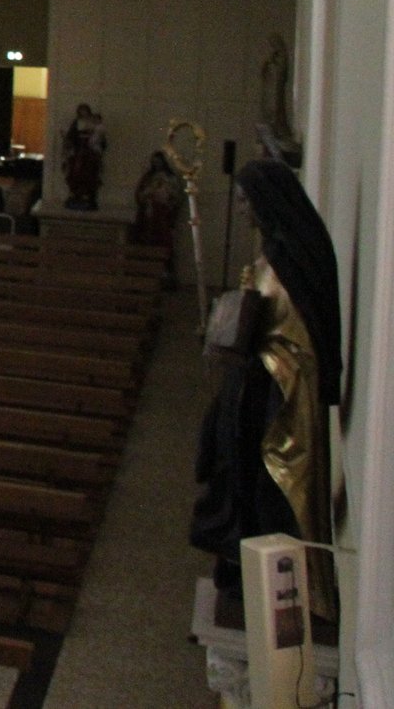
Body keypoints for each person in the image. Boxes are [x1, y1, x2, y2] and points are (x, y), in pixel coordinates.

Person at [191, 159, 344, 627]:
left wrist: (243, 336)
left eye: (243, 200)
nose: (241, 210)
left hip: (276, 399)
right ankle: (242, 567)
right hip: (253, 387)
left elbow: (300, 342)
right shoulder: (274, 252)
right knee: (234, 478)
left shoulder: (291, 261)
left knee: (261, 489)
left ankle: (276, 582)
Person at [60, 104, 107, 210]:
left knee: (89, 171)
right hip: (78, 150)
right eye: (81, 111)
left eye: (85, 111)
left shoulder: (94, 122)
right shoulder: (76, 123)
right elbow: (70, 136)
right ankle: (76, 194)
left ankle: (88, 195)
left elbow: (100, 136)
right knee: (75, 171)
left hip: (89, 150)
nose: (83, 113)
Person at [130, 149, 179, 247]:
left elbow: (174, 195)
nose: (157, 164)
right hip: (148, 210)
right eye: (154, 162)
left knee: (161, 237)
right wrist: (147, 195)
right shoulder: (148, 176)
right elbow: (140, 192)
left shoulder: (170, 177)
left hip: (162, 211)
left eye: (159, 162)